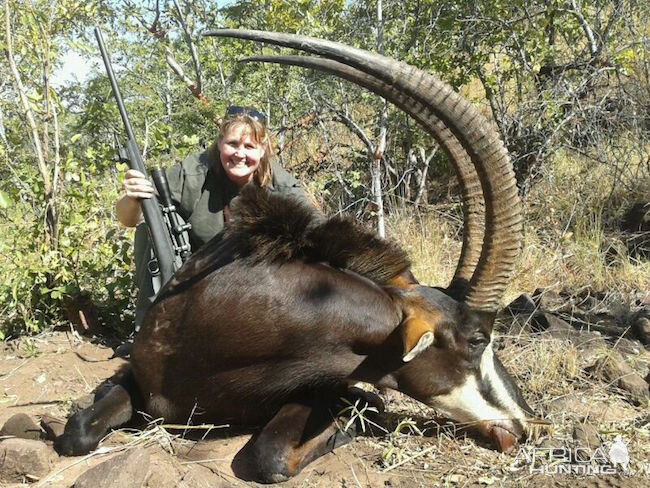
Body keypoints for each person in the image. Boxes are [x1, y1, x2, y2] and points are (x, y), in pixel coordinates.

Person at [116, 105, 308, 330]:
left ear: (263, 149)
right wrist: (132, 197)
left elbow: (314, 235)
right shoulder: (193, 172)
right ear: (220, 143)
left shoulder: (283, 188)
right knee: (153, 225)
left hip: (259, 285)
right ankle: (149, 328)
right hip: (199, 278)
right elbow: (129, 220)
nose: (240, 154)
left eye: (249, 146)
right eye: (233, 144)